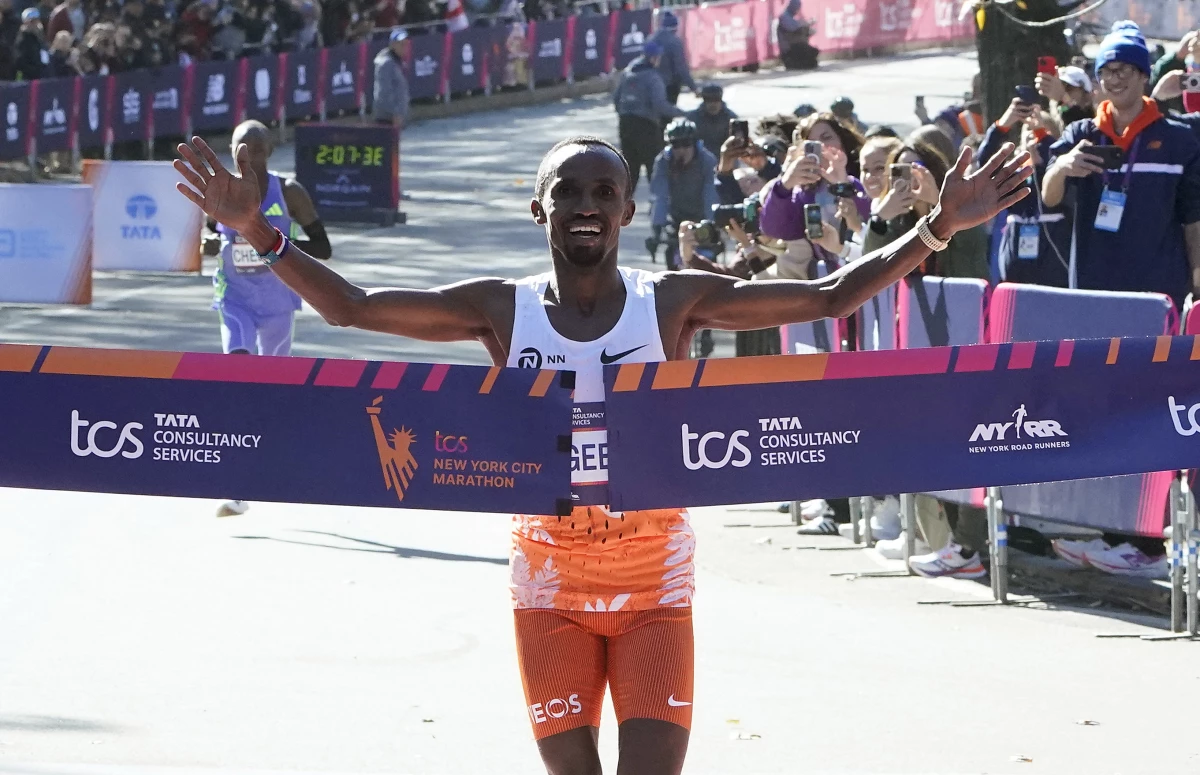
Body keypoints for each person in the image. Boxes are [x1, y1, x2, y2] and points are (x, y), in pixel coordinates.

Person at [175, 127, 1030, 775]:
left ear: (627, 211)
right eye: (568, 190)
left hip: (656, 576)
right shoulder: (500, 309)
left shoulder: (674, 304)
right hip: (546, 581)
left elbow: (828, 293)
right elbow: (354, 309)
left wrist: (935, 229)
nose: (586, 204)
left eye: (603, 191)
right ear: (539, 208)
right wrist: (260, 233)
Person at [198, 121, 333, 518]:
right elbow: (207, 236)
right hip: (234, 298)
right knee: (238, 374)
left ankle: (277, 460)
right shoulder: (219, 188)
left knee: (273, 387)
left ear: (270, 152)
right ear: (232, 149)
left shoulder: (289, 192)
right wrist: (212, 243)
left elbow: (322, 248)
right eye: (243, 148)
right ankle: (238, 482)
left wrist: (274, 243)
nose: (250, 157)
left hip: (277, 303)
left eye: (258, 150)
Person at [1042, 20, 1200, 309]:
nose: (1114, 79)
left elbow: (1193, 222)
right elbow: (1049, 197)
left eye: (1124, 68)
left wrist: (1198, 286)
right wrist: (1062, 167)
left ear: (1143, 74)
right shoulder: (1081, 134)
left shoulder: (1179, 140)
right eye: (1106, 71)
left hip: (1159, 297)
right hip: (1093, 293)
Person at [980, 99, 1070, 287]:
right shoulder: (1016, 180)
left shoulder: (1065, 179)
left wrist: (1044, 147)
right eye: (1029, 134)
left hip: (1054, 279)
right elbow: (985, 168)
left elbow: (1059, 159)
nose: (1034, 139)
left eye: (1041, 134)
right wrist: (1001, 126)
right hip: (1015, 280)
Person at [613, 40, 682, 194]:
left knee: (630, 170)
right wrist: (681, 113)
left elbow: (616, 99)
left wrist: (625, 115)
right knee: (656, 167)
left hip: (625, 124)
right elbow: (660, 105)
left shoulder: (628, 72)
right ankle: (660, 203)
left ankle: (621, 207)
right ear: (653, 58)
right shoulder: (653, 77)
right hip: (646, 127)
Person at [649, 119, 717, 269]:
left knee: (709, 266)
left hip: (702, 219)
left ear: (694, 143)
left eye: (686, 143)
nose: (681, 150)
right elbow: (660, 196)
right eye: (676, 145)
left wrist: (713, 224)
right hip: (677, 221)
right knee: (671, 260)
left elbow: (710, 194)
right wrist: (656, 229)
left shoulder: (707, 160)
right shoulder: (663, 162)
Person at [649, 10, 695, 106]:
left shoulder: (651, 39)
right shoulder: (675, 42)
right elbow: (681, 68)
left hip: (650, 84)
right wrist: (693, 87)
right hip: (669, 85)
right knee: (667, 114)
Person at [373, 28, 411, 130]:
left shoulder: (397, 62)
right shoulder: (386, 64)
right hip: (387, 119)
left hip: (395, 118)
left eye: (406, 44)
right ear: (393, 44)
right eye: (401, 44)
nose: (405, 47)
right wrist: (395, 114)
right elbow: (383, 92)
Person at [685, 83, 736, 157]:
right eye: (709, 100)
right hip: (700, 157)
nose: (713, 104)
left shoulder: (730, 117)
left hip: (724, 156)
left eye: (716, 100)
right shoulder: (693, 118)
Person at [777, 0, 817, 70]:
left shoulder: (792, 18)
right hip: (788, 51)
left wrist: (807, 29)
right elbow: (793, 28)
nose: (797, 10)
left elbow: (801, 29)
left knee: (813, 53)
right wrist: (806, 24)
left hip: (795, 48)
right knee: (806, 52)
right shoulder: (784, 17)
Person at [14, 7, 48, 81]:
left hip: (41, 77)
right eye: (32, 21)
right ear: (25, 22)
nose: (35, 24)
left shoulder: (39, 37)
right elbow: (20, 61)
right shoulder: (22, 39)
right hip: (28, 78)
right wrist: (34, 71)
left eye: (37, 20)